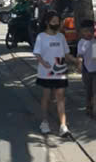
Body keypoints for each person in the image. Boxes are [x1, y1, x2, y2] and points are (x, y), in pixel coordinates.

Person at [33, 9, 79, 138]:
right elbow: (37, 53)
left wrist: (76, 60)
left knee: (60, 97)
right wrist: (43, 63)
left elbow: (66, 53)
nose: (56, 24)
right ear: (47, 22)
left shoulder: (61, 37)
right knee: (46, 97)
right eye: (53, 21)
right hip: (46, 73)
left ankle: (63, 126)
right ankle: (44, 122)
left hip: (60, 71)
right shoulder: (41, 37)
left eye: (58, 21)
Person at [76, 19, 96, 119]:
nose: (89, 33)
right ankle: (88, 107)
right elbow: (80, 55)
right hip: (87, 70)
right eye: (86, 31)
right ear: (81, 32)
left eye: (91, 31)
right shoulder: (81, 42)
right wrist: (79, 64)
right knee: (88, 91)